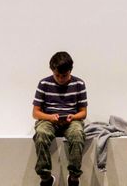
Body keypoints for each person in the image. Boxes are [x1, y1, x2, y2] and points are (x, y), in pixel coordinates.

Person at [32, 51, 88, 186]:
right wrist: (50, 117)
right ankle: (45, 177)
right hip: (48, 120)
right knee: (41, 134)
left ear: (70, 71)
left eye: (64, 75)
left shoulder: (79, 84)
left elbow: (83, 113)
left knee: (77, 134)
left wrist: (73, 116)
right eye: (57, 75)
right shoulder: (44, 83)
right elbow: (35, 113)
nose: (61, 79)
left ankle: (74, 177)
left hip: (71, 121)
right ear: (52, 71)